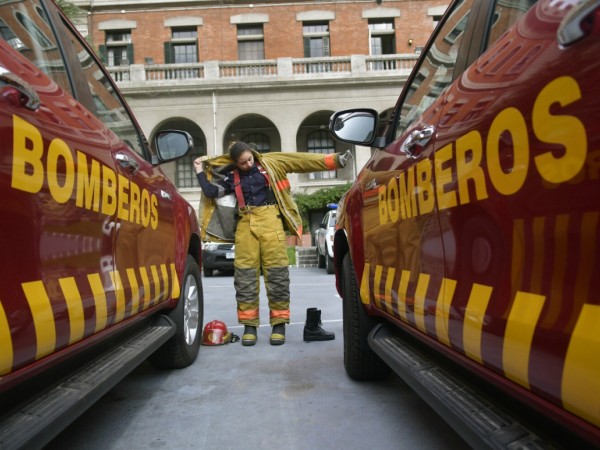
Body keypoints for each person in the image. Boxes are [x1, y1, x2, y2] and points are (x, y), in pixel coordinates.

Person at [194, 142, 350, 346]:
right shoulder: (231, 178)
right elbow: (211, 192)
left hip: (272, 223)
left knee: (277, 276)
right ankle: (249, 327)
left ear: (254, 154)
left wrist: (336, 160)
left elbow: (302, 161)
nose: (248, 164)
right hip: (245, 227)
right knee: (245, 278)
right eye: (242, 163)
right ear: (235, 163)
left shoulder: (271, 164)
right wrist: (198, 169)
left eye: (250, 159)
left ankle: (279, 326)